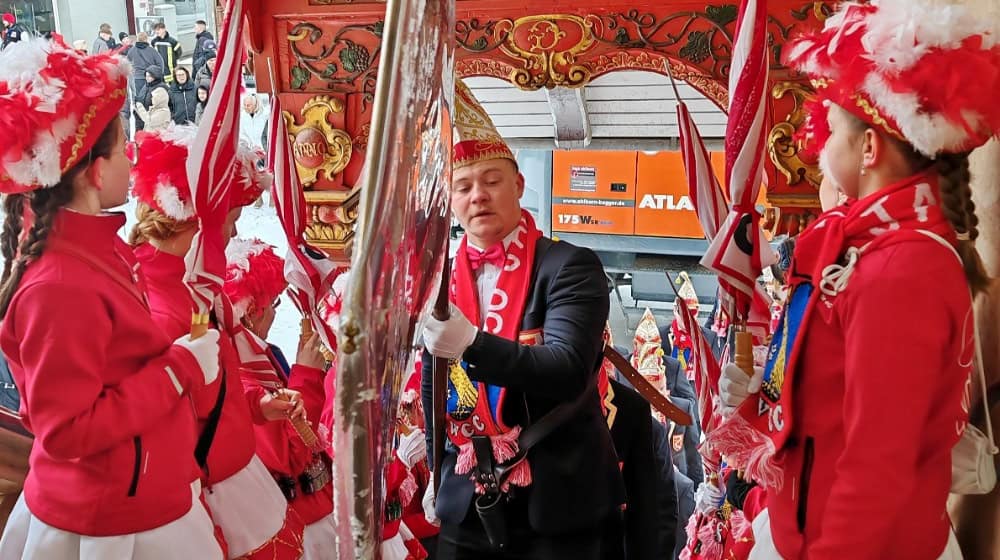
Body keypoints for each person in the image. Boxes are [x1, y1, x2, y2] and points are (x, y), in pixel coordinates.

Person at [715, 2, 999, 558]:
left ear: (869, 148)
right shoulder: (870, 249)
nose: (820, 146)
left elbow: (878, 467)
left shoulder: (900, 268)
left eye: (832, 130)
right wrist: (763, 392)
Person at [0, 35, 223, 559]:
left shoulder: (92, 255)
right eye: (126, 149)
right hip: (113, 526)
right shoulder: (59, 285)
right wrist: (179, 369)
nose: (132, 160)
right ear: (96, 172)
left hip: (135, 500)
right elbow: (67, 430)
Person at [420, 78, 625, 560]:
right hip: (464, 494)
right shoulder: (439, 276)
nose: (478, 196)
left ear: (518, 185)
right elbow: (433, 381)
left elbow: (567, 368)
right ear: (449, 200)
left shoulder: (570, 265)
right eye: (464, 186)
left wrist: (471, 342)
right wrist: (434, 467)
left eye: (492, 181)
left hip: (558, 501)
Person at [128, 125, 306, 559]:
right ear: (196, 221)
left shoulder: (190, 288)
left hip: (231, 482)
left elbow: (210, 391)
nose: (231, 236)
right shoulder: (160, 308)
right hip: (213, 500)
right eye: (229, 221)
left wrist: (256, 407)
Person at [221, 237, 337, 559]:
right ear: (253, 312)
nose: (274, 313)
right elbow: (289, 456)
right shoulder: (240, 378)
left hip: (318, 510)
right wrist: (306, 376)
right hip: (303, 527)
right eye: (273, 304)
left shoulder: (266, 356)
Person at [136, 65, 169, 131]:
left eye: (149, 76)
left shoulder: (161, 88)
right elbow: (142, 97)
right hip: (144, 117)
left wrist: (139, 105)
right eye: (146, 76)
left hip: (156, 121)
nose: (147, 78)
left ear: (155, 76)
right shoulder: (147, 85)